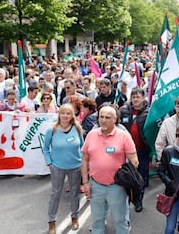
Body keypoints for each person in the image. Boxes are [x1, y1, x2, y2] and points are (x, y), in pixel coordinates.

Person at [81, 105, 138, 234]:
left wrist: (124, 175)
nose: (104, 120)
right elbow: (84, 159)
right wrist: (85, 183)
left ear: (115, 119)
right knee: (97, 220)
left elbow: (134, 161)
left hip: (116, 187)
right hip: (95, 185)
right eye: (101, 117)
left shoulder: (124, 136)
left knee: (120, 220)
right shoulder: (91, 135)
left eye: (107, 117)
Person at [42, 104, 84, 234]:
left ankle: (74, 217)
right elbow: (45, 148)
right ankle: (52, 222)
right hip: (58, 168)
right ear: (59, 114)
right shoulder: (52, 130)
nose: (65, 116)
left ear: (72, 115)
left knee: (74, 194)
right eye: (63, 113)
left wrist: (83, 163)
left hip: (76, 167)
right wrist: (50, 164)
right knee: (55, 194)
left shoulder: (77, 129)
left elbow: (83, 147)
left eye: (68, 113)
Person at [119, 87, 150, 212]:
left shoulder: (150, 112)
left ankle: (138, 200)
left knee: (139, 177)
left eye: (138, 97)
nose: (136, 99)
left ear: (143, 98)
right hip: (124, 152)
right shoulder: (123, 110)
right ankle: (125, 199)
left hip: (142, 151)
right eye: (133, 97)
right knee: (124, 176)